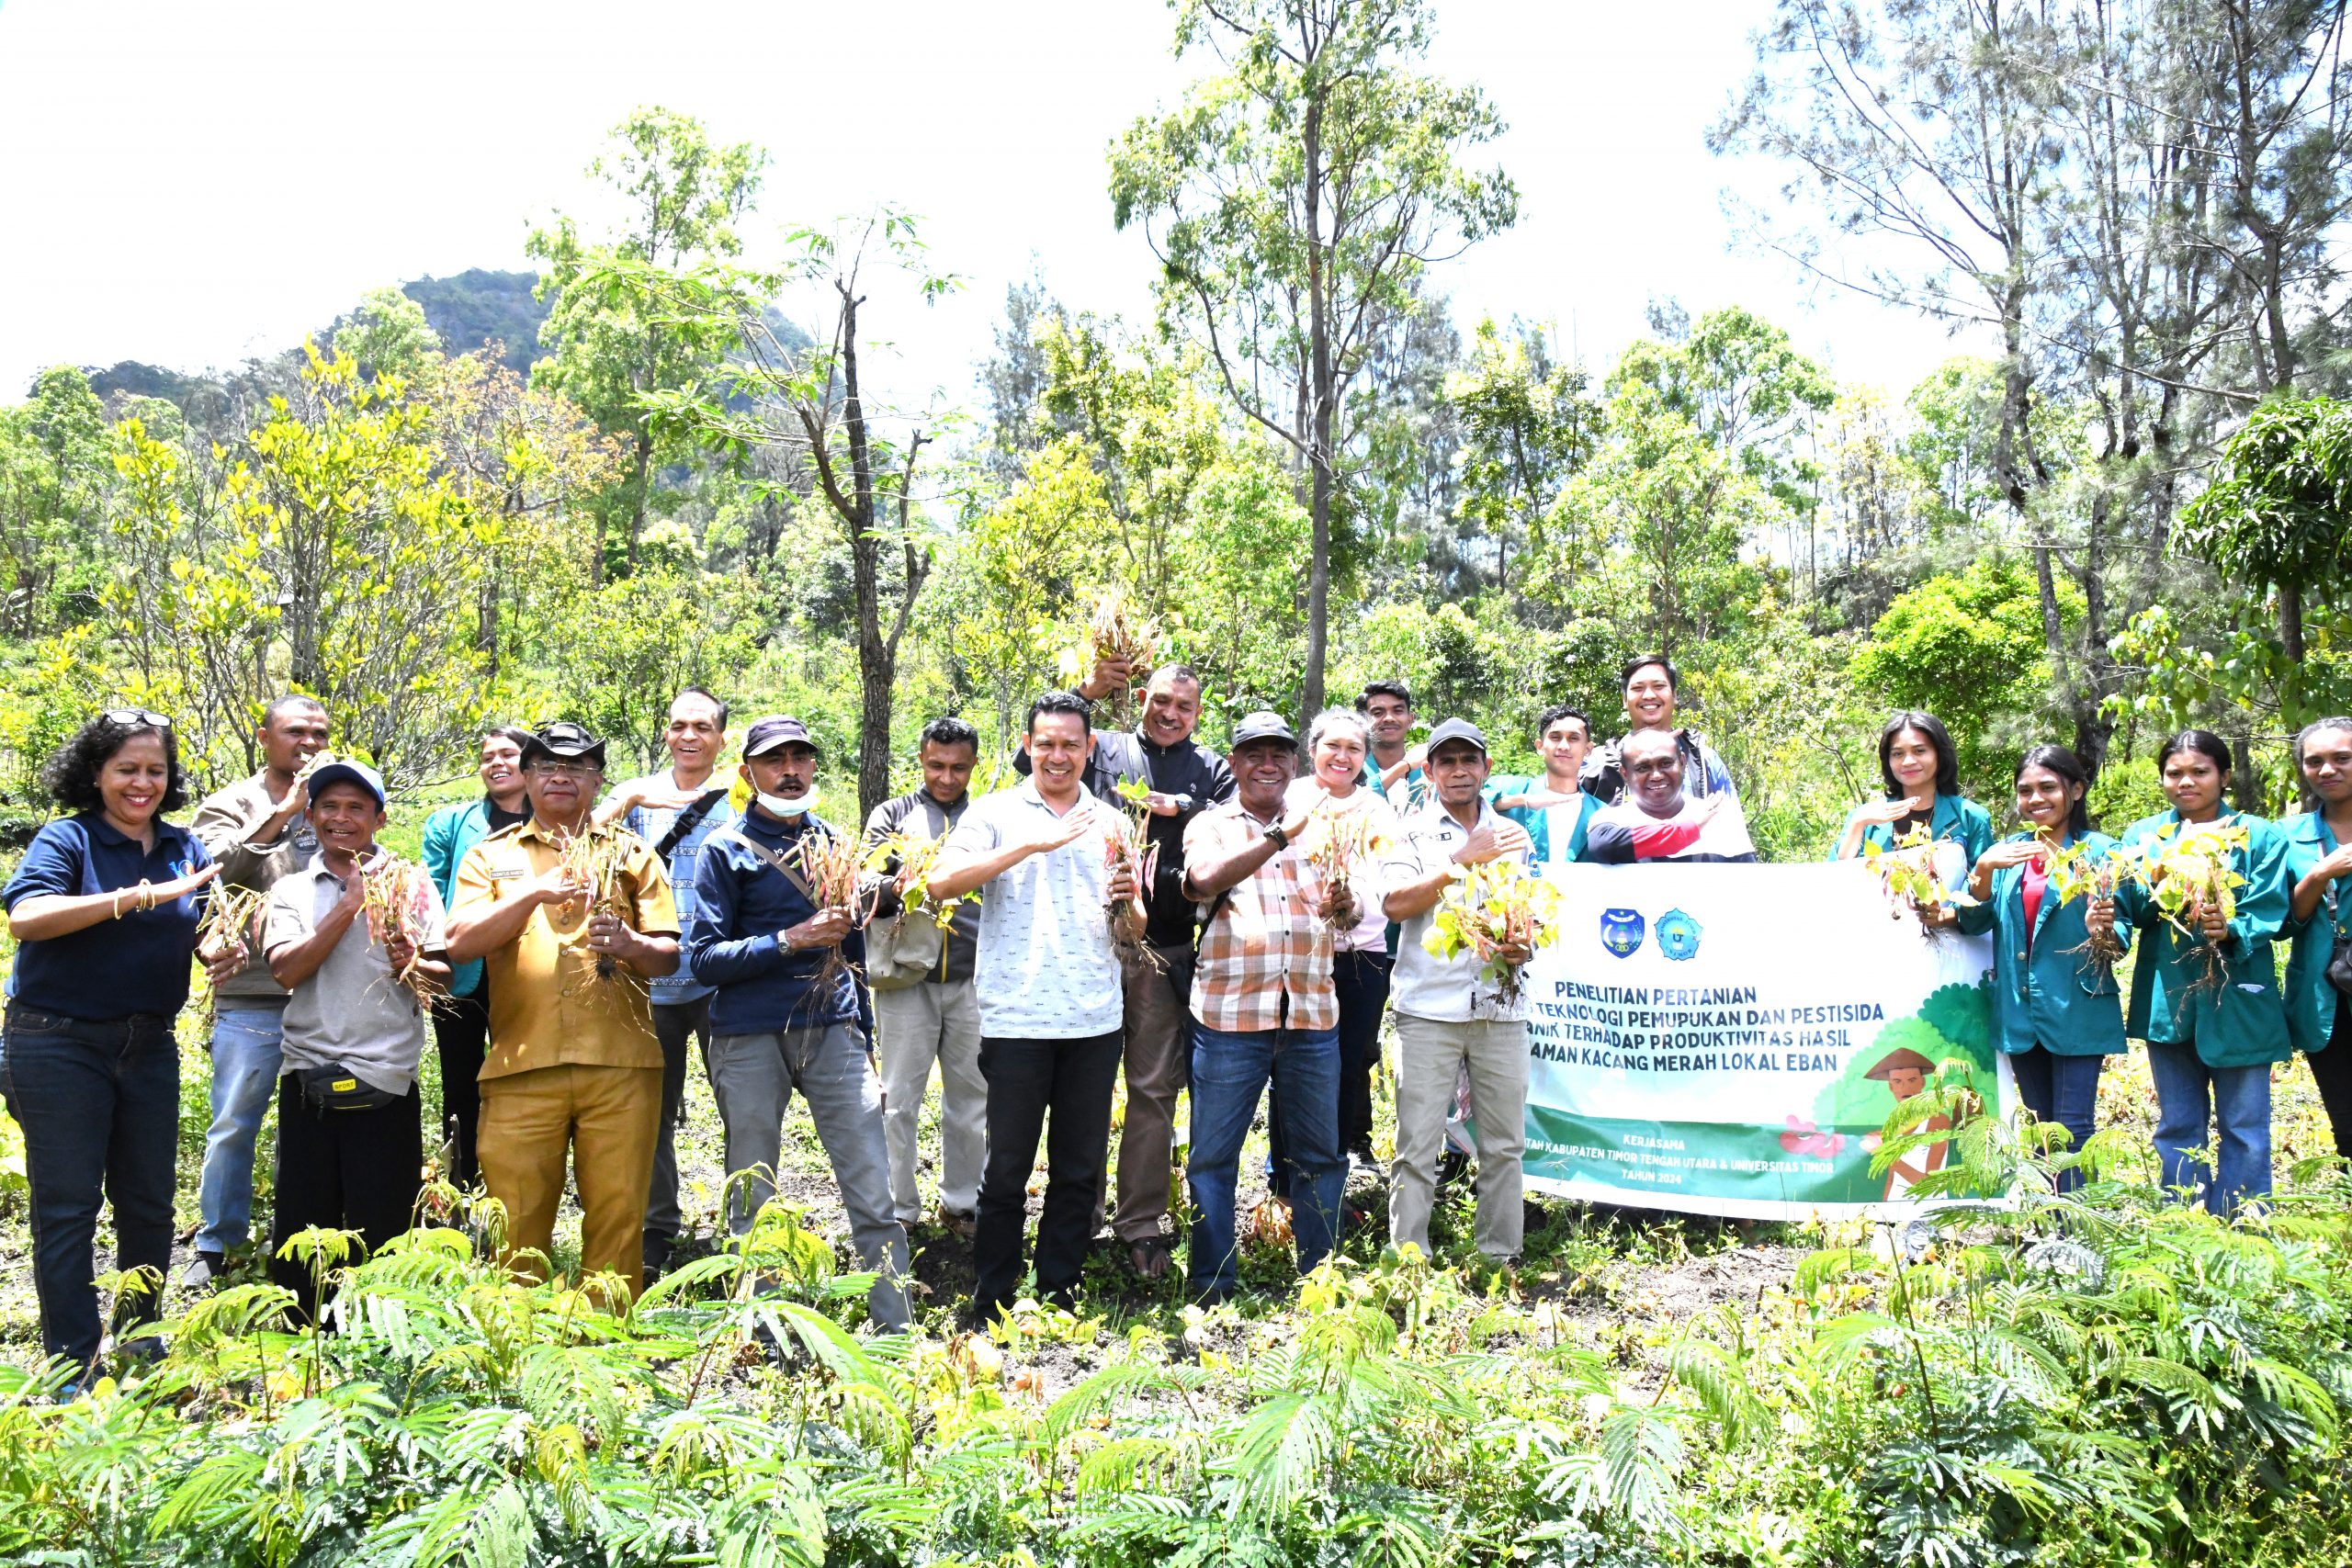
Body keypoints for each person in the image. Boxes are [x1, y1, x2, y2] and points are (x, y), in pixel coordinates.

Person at [2, 711, 239, 1382]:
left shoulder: (183, 846)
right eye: (127, 769)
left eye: (155, 770)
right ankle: (70, 1369)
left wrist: (215, 949)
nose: (142, 783)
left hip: (148, 1044)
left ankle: (141, 1344)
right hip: (56, 1042)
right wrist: (136, 897)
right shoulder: (68, 838)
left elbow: (193, 927)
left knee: (148, 1203)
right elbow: (26, 917)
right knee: (69, 1207)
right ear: (96, 773)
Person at [685, 716, 911, 1331]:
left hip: (834, 1031)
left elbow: (854, 952)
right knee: (752, 1197)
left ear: (814, 765)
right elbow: (703, 958)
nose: (789, 770)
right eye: (774, 759)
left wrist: (866, 1042)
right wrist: (789, 939)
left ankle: (895, 1332)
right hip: (748, 1037)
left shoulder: (836, 842)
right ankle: (760, 1333)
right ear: (748, 772)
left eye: (799, 757)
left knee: (873, 1188)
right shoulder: (724, 849)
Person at [446, 721, 680, 1303]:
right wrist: (533, 891)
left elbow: (668, 955)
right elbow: (460, 942)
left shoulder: (631, 855)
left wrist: (627, 943)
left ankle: (604, 1353)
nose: (560, 776)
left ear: (597, 781)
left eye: (576, 767)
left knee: (619, 1218)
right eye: (546, 765)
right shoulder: (490, 858)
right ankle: (519, 1351)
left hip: (621, 1067)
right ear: (524, 777)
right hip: (522, 1066)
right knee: (516, 1228)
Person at [930, 691, 1142, 1322]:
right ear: (1027, 746)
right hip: (1016, 1018)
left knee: (1079, 1169)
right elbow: (942, 882)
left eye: (1070, 744)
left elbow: (1134, 928)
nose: (1057, 755)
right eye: (1045, 743)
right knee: (1005, 1171)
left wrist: (1131, 899)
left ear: (1089, 749)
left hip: (1094, 1019)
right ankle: (991, 1296)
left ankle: (1059, 1291)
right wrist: (1031, 846)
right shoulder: (995, 813)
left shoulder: (1112, 820)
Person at [1051, 660, 1233, 1280]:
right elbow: (1035, 765)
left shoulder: (1213, 771)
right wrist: (1087, 691)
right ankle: (1076, 1213)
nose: (1170, 713)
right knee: (1083, 1088)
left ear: (1198, 712)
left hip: (1167, 949)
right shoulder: (1105, 751)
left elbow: (1238, 831)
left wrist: (1176, 806)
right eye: (1160, 701)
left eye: (1184, 705)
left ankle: (1141, 1221)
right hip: (1089, 946)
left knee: (1153, 1090)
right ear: (1140, 699)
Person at [261, 760, 451, 1321]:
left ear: (380, 818)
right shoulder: (292, 889)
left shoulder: (413, 884)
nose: (340, 819)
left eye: (355, 808)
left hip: (385, 1076)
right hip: (308, 1074)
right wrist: (349, 905)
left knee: (384, 1218)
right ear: (312, 815)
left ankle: (378, 1334)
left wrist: (411, 962)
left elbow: (438, 980)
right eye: (329, 807)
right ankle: (300, 1332)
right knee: (303, 1219)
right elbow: (285, 971)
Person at [1182, 713, 1351, 1304]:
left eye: (1279, 753)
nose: (1268, 764)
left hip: (1310, 1013)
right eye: (1255, 753)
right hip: (1230, 1017)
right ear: (1234, 762)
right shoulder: (1212, 824)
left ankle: (1320, 1284)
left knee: (1321, 1158)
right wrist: (1278, 837)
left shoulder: (1322, 828)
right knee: (1213, 1157)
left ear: (1293, 764)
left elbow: (1341, 917)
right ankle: (1211, 1286)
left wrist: (1344, 905)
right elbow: (1200, 881)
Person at [2115, 728, 2296, 1216]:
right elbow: (2129, 904)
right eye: (2175, 773)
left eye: (2200, 771)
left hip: (2239, 993)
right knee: (2176, 1124)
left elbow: (2271, 907)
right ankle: (2185, 1223)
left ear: (2225, 775)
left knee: (2245, 1125)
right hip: (2170, 993)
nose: (2186, 782)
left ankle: (2247, 1229)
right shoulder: (2145, 837)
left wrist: (2231, 926)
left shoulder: (2258, 834)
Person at [185, 693, 331, 1288]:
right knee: (234, 1122)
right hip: (252, 995)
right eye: (297, 732)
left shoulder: (335, 802)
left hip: (321, 994)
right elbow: (204, 872)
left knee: (320, 1121)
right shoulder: (230, 804)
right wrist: (282, 813)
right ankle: (216, 1244)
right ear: (264, 736)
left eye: (320, 734)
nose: (310, 744)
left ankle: (306, 1241)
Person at [1378, 718, 1536, 1266]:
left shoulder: (1515, 836)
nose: (1459, 770)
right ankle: (1409, 1261)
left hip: (1502, 1006)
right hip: (1429, 1009)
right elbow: (1395, 905)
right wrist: (1461, 859)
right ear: (1429, 772)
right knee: (1417, 1144)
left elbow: (1531, 912)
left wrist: (1522, 943)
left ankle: (1498, 1257)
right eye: (1447, 761)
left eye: (1470, 760)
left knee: (1505, 1146)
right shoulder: (1411, 831)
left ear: (1487, 769)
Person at [602, 688, 739, 1280]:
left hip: (721, 979)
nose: (690, 736)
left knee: (743, 1107)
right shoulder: (637, 798)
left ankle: (743, 1232)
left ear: (721, 738)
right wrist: (626, 795)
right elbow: (579, 846)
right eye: (679, 725)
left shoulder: (741, 797)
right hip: (649, 976)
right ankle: (658, 1224)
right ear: (666, 734)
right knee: (649, 1112)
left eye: (703, 727)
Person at [1954, 745, 2128, 1190]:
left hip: (2076, 1004)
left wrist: (2099, 929)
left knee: (2072, 1128)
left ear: (2076, 789)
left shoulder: (2102, 852)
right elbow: (1974, 921)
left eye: (2048, 787)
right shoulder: (2007, 852)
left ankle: (2079, 1233)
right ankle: (2047, 1230)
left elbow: (2119, 937)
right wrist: (1983, 869)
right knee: (2036, 1129)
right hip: (2018, 1010)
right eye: (2025, 790)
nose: (2035, 799)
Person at [863, 716, 987, 1238]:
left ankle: (961, 1204)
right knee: (897, 1100)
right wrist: (899, 885)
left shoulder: (985, 818)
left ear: (974, 765)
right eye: (937, 765)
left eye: (959, 767)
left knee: (971, 1097)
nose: (947, 777)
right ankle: (899, 1209)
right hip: (904, 979)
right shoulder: (893, 815)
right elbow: (862, 881)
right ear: (921, 759)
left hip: (972, 979)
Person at [1276, 709, 1404, 1174]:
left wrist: (1353, 905)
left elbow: (1387, 879)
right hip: (1297, 953)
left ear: (1366, 758)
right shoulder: (1289, 801)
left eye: (1354, 749)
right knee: (1291, 1066)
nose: (1342, 757)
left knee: (1349, 1064)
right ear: (1312, 752)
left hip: (1360, 956)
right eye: (1333, 746)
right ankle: (1284, 1175)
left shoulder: (1376, 809)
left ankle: (1332, 1168)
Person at [419, 724, 532, 1187]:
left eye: (508, 754)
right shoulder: (450, 824)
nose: (497, 764)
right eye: (488, 757)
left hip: (528, 972)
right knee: (461, 1082)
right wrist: (434, 964)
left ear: (531, 763)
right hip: (463, 975)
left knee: (524, 1075)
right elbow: (430, 897)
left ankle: (521, 1178)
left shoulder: (553, 820)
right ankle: (463, 1184)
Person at [2285, 716, 2352, 1163]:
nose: (2327, 770)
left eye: (2341, 758)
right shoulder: (2288, 836)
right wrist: (2319, 873)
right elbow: (2283, 921)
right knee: (2346, 1124)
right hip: (2324, 998)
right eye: (2315, 761)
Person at [1830, 711, 1994, 869]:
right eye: (1898, 754)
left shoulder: (1970, 817)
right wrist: (1858, 824)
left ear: (1940, 754)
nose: (1908, 761)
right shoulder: (1865, 817)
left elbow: (1985, 889)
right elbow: (1835, 878)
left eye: (1919, 751)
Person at [1582, 654, 1737, 806]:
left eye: (1659, 686)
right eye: (1638, 688)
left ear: (1675, 695)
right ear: (1624, 699)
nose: (1649, 695)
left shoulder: (1704, 760)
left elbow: (1731, 823)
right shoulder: (1600, 761)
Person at [1584, 730, 1759, 863]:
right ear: (1625, 774)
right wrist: (1689, 829)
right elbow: (1602, 846)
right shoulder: (1610, 819)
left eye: (1666, 763)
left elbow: (1746, 885)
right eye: (1643, 768)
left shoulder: (1718, 819)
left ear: (1682, 763)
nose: (1657, 775)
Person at [1491, 705, 1602, 867]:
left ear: (1588, 749)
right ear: (1540, 746)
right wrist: (1521, 801)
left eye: (1573, 738)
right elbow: (1464, 805)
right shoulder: (1508, 788)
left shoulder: (1600, 812)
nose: (1564, 746)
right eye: (1555, 737)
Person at [1358, 680, 1428, 807]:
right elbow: (1348, 805)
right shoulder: (1352, 767)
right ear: (1363, 721)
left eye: (1398, 711)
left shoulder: (1428, 770)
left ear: (1410, 719)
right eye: (1378, 713)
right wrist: (1403, 767)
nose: (1389, 718)